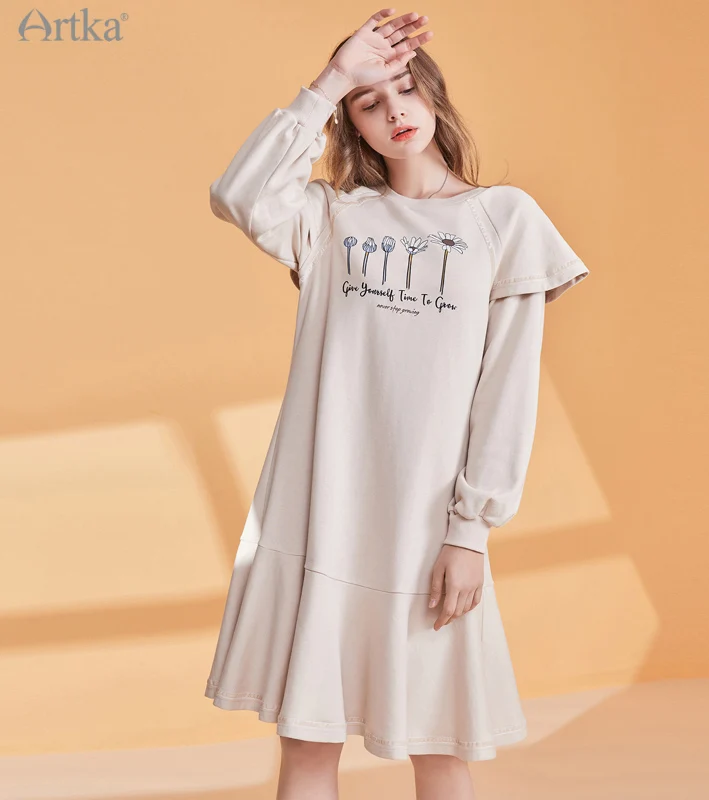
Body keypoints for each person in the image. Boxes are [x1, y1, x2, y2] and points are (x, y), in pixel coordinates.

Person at [204, 8, 589, 799]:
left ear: (435, 96)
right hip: (321, 518)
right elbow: (240, 195)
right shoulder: (332, 218)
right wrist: (328, 81)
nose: (394, 112)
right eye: (369, 103)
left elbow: (507, 389)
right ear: (351, 125)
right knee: (309, 747)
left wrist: (470, 532)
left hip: (426, 530)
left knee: (440, 748)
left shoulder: (504, 219)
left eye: (406, 91)